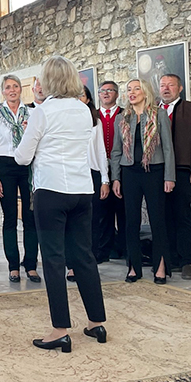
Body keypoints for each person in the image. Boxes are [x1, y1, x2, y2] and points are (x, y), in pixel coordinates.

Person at [15, 56, 107, 353]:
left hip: (52, 191)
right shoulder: (84, 110)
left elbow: (22, 157)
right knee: (83, 256)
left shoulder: (43, 112)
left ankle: (59, 330)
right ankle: (96, 323)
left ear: (49, 80)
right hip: (82, 190)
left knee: (54, 259)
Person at [110, 79, 176, 284]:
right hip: (130, 173)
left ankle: (161, 266)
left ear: (145, 92)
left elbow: (168, 148)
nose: (132, 93)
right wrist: (115, 178)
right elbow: (116, 151)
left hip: (154, 171)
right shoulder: (122, 118)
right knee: (131, 222)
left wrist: (169, 176)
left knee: (157, 220)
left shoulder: (159, 115)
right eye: (129, 90)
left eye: (136, 89)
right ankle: (133, 266)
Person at [0, 75, 40, 284]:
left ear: (21, 89)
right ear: (3, 91)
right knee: (10, 217)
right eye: (8, 87)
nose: (12, 90)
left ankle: (31, 265)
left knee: (30, 217)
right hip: (5, 165)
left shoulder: (32, 113)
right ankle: (13, 266)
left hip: (27, 165)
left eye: (15, 86)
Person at [159, 74, 191, 280]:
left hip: (181, 168)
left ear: (179, 88)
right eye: (162, 85)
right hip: (158, 170)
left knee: (182, 214)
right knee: (162, 215)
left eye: (170, 85)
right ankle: (169, 258)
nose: (166, 89)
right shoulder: (153, 110)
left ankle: (187, 260)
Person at [66, 86, 110, 282]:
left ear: (88, 99)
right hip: (70, 173)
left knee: (90, 221)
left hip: (91, 174)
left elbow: (100, 151)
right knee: (69, 222)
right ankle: (71, 265)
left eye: (81, 95)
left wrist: (105, 179)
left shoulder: (96, 121)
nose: (78, 99)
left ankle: (88, 262)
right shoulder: (64, 120)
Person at [96, 80, 126, 261]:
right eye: (103, 91)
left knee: (123, 210)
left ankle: (125, 248)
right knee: (102, 210)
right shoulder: (94, 116)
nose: (106, 94)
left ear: (117, 94)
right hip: (100, 167)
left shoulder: (124, 114)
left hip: (122, 166)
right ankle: (103, 250)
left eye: (110, 90)